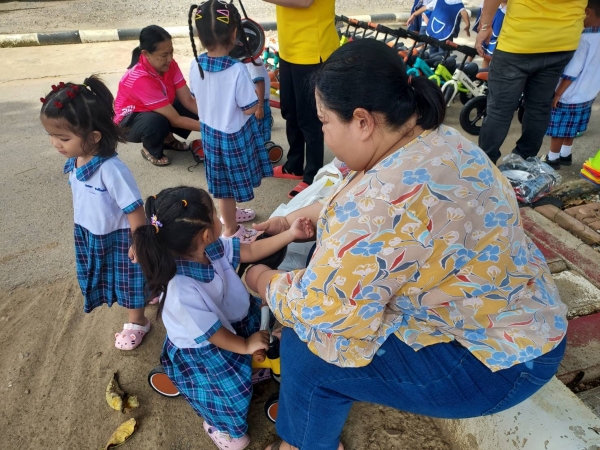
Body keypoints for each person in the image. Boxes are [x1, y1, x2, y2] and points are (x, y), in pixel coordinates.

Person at [246, 39, 568, 450]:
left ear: (362, 121)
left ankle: (302, 444)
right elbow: (378, 207)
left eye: (324, 121)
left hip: (497, 362)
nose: (323, 131)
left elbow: (328, 311)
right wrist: (299, 218)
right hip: (523, 319)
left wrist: (262, 279)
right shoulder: (436, 138)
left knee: (306, 350)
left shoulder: (377, 206)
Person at [132, 186, 314, 450]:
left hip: (233, 318)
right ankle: (220, 427)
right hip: (208, 346)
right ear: (206, 234)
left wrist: (290, 234)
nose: (220, 218)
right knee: (230, 402)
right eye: (215, 215)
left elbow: (250, 251)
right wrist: (245, 345)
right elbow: (214, 334)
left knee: (260, 340)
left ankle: (251, 364)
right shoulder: (181, 290)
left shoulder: (211, 247)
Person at [40, 76, 151, 350]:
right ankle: (150, 290)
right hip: (90, 232)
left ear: (94, 137)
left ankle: (138, 322)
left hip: (121, 237)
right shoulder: (76, 160)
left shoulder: (111, 169)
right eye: (51, 135)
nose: (55, 143)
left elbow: (134, 208)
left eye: (63, 138)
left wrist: (139, 241)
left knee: (129, 281)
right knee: (113, 277)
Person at [187, 1, 273, 244]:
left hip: (210, 133)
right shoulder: (236, 70)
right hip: (233, 136)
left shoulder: (195, 64)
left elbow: (196, 97)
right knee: (228, 185)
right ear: (235, 33)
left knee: (223, 183)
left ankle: (230, 215)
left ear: (199, 35)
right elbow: (249, 108)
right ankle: (232, 230)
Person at [476, 0, 587, 164]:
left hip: (519, 40)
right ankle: (522, 163)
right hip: (563, 41)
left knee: (499, 110)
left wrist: (485, 26)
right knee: (539, 108)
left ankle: (485, 164)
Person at [262, 0, 339, 199]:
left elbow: (304, 2)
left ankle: (312, 175)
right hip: (289, 48)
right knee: (290, 111)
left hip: (311, 49)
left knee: (309, 118)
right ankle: (293, 165)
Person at [114, 25, 200, 167]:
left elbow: (188, 100)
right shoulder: (140, 78)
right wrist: (214, 129)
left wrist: (215, 119)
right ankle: (151, 149)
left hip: (154, 109)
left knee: (188, 105)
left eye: (171, 52)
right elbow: (176, 120)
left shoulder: (170, 65)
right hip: (129, 122)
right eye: (164, 55)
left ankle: (167, 138)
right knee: (156, 122)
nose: (170, 59)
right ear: (146, 54)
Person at [542, 0, 600, 169]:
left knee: (559, 128)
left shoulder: (583, 38)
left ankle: (552, 159)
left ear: (587, 12)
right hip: (588, 93)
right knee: (572, 126)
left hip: (569, 93)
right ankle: (566, 155)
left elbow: (572, 71)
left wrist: (558, 93)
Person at [245, 55, 272, 146]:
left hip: (259, 101)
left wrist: (260, 107)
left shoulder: (252, 61)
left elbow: (260, 82)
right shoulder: (246, 60)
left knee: (261, 130)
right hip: (253, 101)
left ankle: (264, 148)